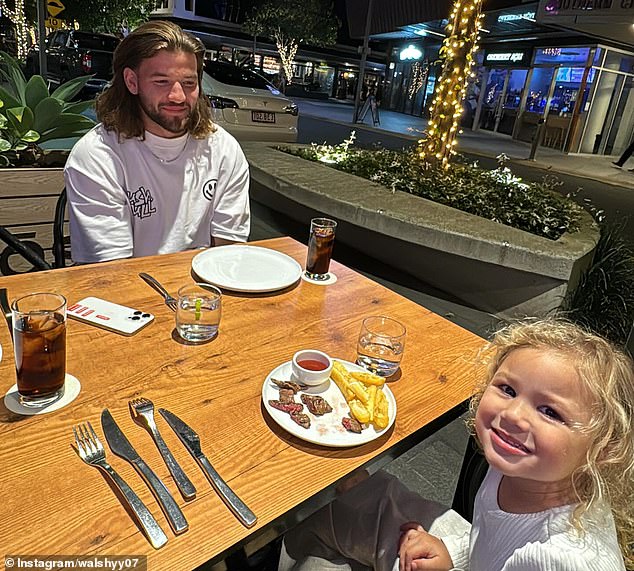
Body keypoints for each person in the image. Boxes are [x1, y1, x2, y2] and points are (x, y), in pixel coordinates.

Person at [279, 319, 634, 571]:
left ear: (604, 449)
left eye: (551, 412)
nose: (513, 414)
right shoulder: (520, 469)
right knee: (353, 494)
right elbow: (491, 540)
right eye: (508, 390)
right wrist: (456, 552)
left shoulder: (560, 559)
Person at [64, 21, 250, 263]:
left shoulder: (223, 149)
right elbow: (111, 271)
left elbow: (229, 253)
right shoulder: (97, 156)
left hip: (201, 295)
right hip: (124, 293)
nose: (178, 96)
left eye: (189, 83)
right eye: (161, 82)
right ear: (132, 81)